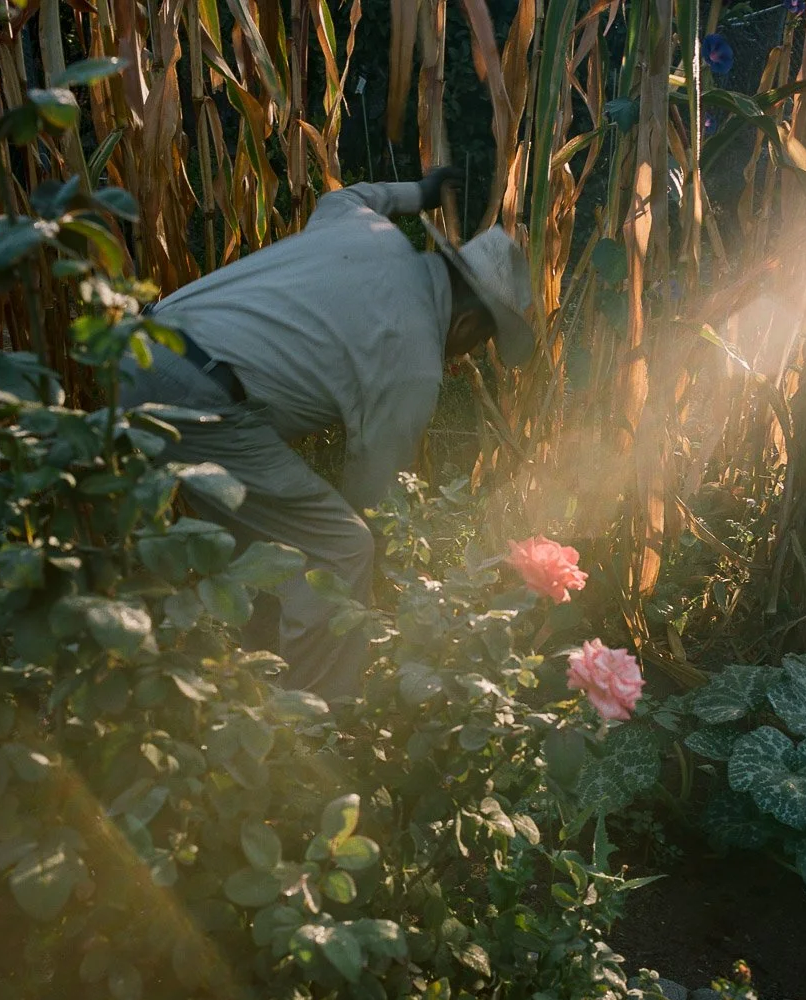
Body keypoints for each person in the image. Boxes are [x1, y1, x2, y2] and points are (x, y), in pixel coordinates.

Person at [120, 169, 534, 702]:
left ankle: (245, 688)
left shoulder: (366, 229)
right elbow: (370, 500)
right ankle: (313, 724)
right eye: (482, 341)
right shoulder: (413, 364)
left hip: (139, 348)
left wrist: (422, 191)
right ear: (468, 325)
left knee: (267, 547)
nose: (468, 355)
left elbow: (350, 193)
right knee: (341, 550)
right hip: (197, 399)